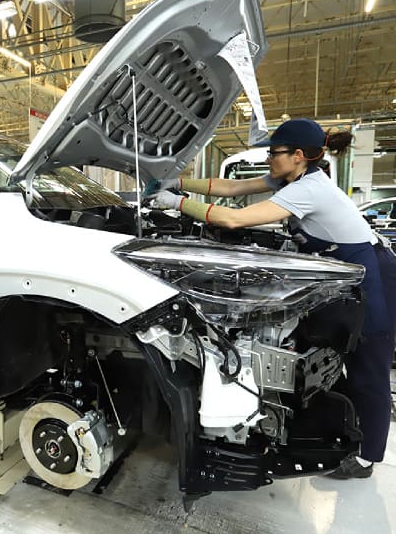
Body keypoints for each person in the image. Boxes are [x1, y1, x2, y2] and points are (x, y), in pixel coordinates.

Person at [148, 118, 396, 480]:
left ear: (298, 156)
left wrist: (178, 202)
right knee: (342, 359)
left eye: (274, 153)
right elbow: (233, 188)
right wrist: (180, 182)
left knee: (368, 366)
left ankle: (366, 459)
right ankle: (344, 430)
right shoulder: (293, 178)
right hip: (348, 276)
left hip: (373, 274)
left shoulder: (310, 189)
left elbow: (234, 219)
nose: (269, 159)